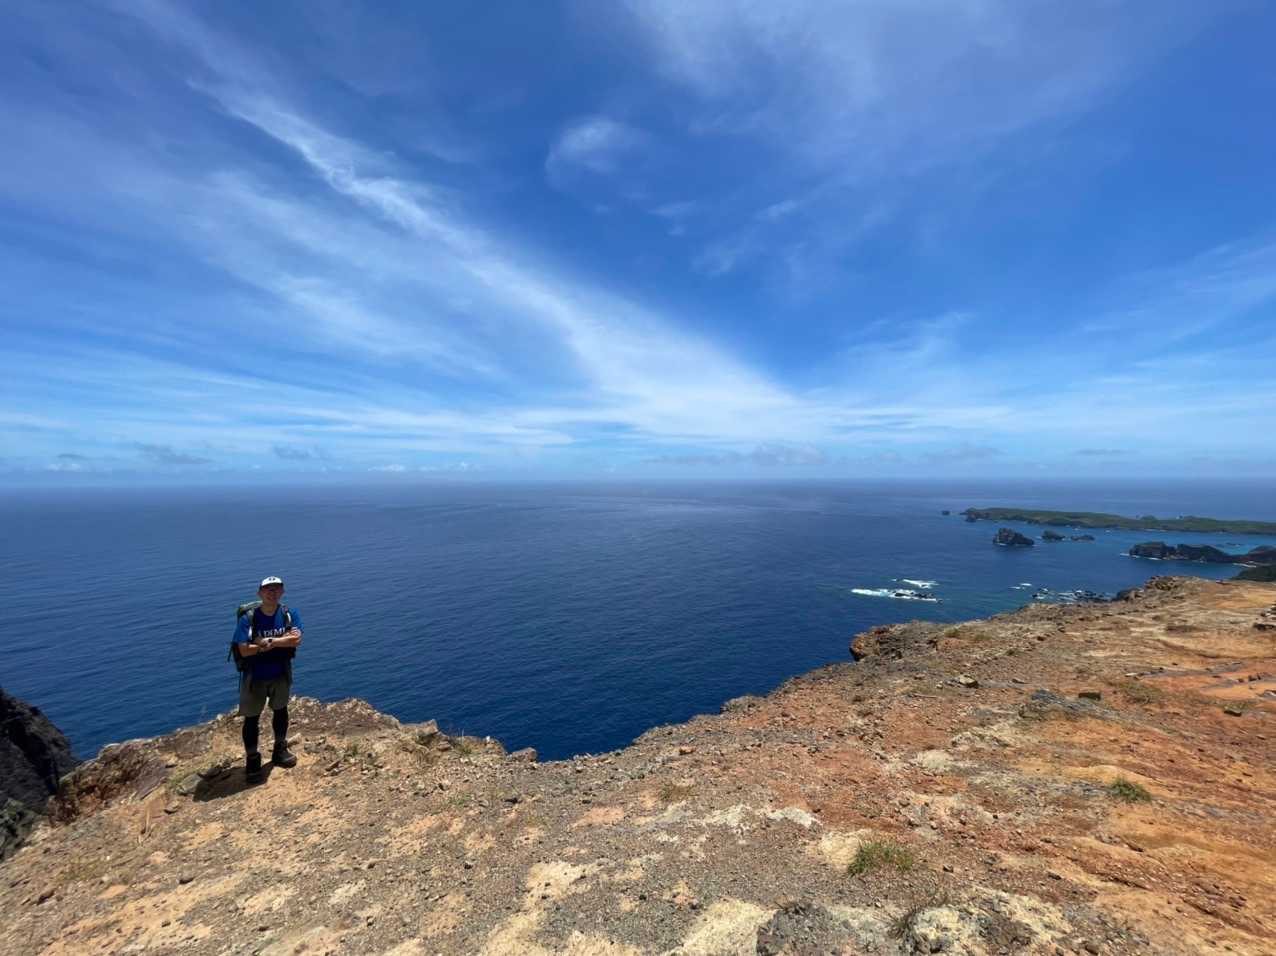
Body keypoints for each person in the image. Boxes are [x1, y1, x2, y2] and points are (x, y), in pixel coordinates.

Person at [234, 576, 303, 783]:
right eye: (268, 589)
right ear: (260, 593)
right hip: (255, 675)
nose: (272, 593)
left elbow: (296, 640)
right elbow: (243, 650)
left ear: (282, 592)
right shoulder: (249, 618)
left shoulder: (288, 614)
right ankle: (252, 760)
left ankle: (280, 750)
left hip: (280, 672)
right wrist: (280, 642)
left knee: (281, 711)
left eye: (276, 589)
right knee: (251, 718)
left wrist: (267, 641)